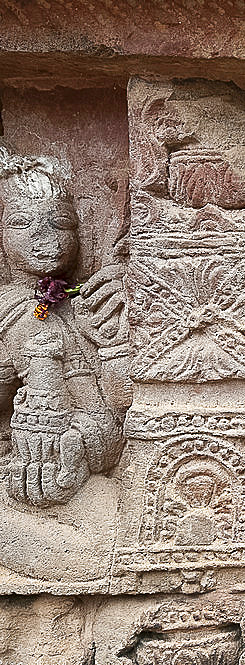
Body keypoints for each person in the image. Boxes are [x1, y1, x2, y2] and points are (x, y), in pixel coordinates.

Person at [0, 145, 128, 581]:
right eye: (21, 223)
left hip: (82, 467)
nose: (43, 235)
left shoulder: (84, 304)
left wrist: (121, 326)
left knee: (113, 538)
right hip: (23, 473)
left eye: (60, 223)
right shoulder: (8, 313)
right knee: (98, 551)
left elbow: (117, 406)